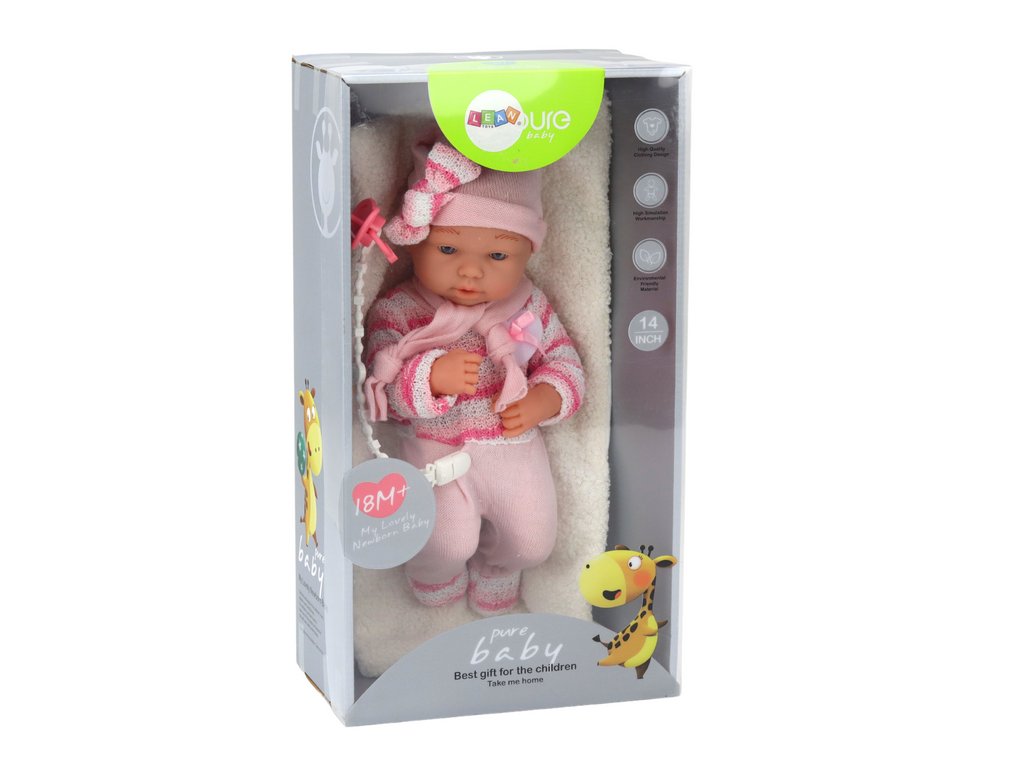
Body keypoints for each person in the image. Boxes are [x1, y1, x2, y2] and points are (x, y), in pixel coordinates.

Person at [364, 138, 585, 616]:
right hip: (437, 451)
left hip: (513, 448)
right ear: (417, 244)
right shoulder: (400, 310)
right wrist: (430, 376)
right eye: (447, 248)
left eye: (498, 257)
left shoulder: (528, 306)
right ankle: (434, 573)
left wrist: (546, 398)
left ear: (527, 255)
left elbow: (565, 363)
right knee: (444, 541)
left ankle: (499, 567)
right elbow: (379, 391)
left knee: (532, 539)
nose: (470, 271)